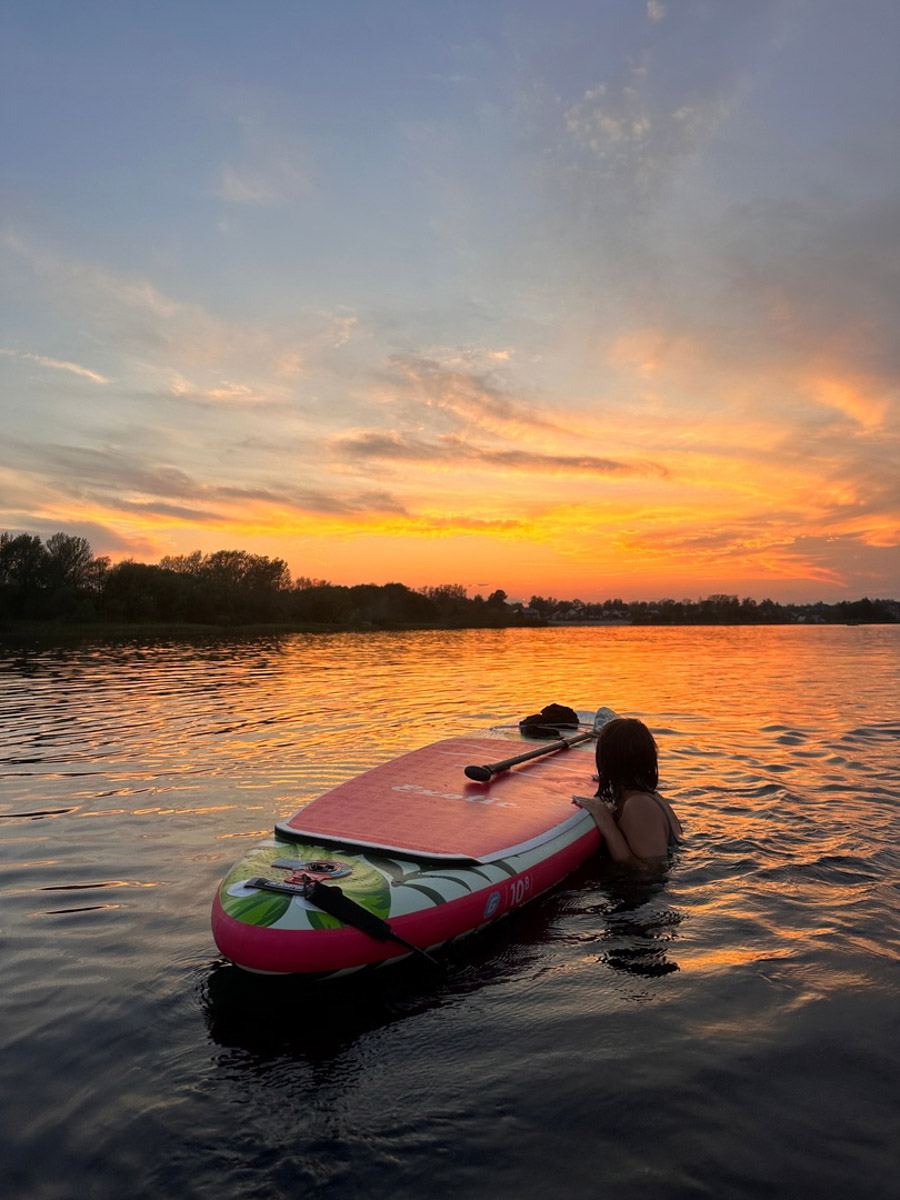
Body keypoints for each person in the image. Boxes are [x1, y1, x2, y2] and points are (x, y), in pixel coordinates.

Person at [573, 717, 682, 869]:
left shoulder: (638, 805)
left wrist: (606, 822)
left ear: (607, 760)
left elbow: (649, 871)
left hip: (644, 890)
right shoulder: (651, 796)